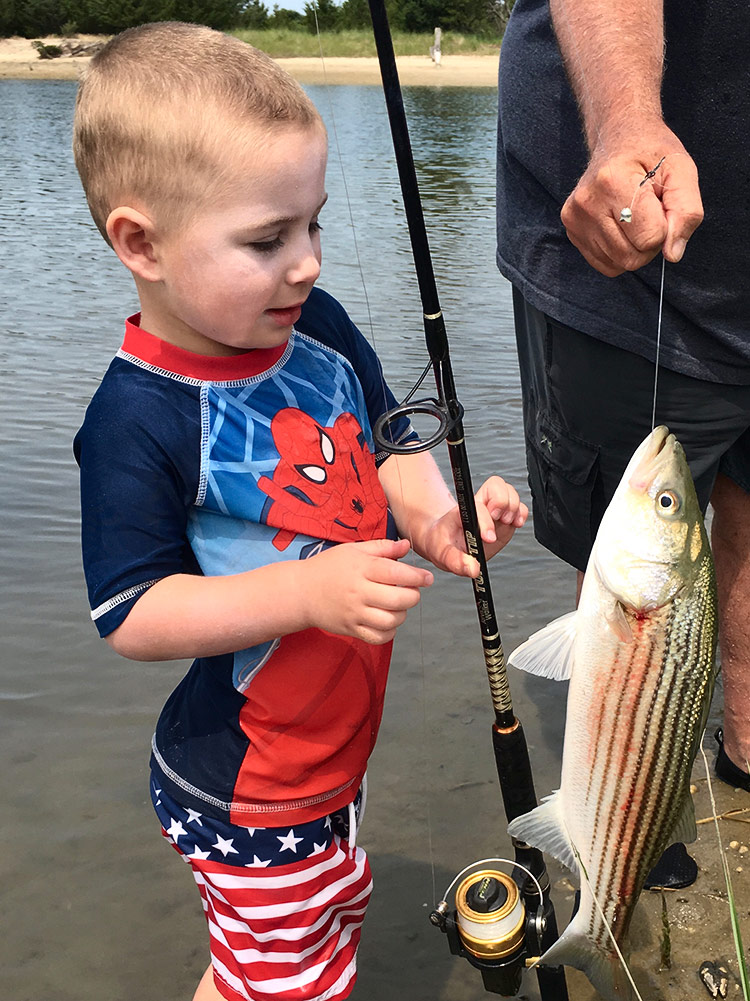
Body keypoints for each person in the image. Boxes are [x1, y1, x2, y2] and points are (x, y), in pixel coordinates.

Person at [72, 21, 528, 1001]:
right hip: (250, 788)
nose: (308, 262)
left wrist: (441, 524)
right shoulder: (136, 418)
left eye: (313, 224)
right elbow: (132, 614)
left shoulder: (311, 327)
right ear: (141, 243)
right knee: (289, 982)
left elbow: (389, 442)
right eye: (267, 239)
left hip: (331, 757)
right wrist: (307, 591)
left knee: (277, 964)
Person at [496, 0, 750, 859]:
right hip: (625, 249)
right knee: (623, 596)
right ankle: (622, 837)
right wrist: (626, 115)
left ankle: (744, 759)